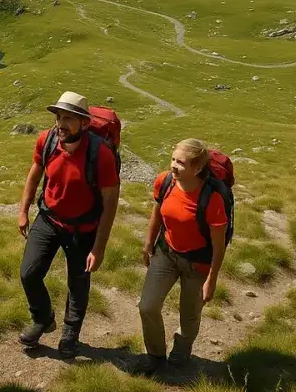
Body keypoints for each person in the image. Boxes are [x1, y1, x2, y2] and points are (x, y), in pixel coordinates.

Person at [16, 91, 120, 357]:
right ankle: (42, 318)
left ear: (84, 124)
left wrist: (99, 248)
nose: (61, 124)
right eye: (59, 117)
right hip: (49, 219)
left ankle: (70, 332)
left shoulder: (101, 154)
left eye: (69, 119)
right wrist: (23, 210)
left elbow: (110, 204)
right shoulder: (47, 140)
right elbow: (35, 173)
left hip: (83, 230)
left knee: (78, 282)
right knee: (29, 272)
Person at [134, 138, 229, 375]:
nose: (174, 166)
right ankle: (155, 355)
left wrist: (211, 280)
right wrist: (148, 242)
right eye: (173, 160)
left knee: (189, 316)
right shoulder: (165, 181)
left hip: (198, 263)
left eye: (181, 163)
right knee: (147, 306)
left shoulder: (212, 199)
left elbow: (219, 245)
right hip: (167, 253)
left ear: (197, 168)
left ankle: (183, 347)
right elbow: (158, 210)